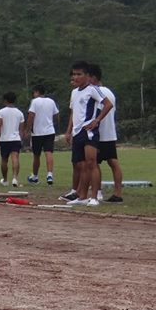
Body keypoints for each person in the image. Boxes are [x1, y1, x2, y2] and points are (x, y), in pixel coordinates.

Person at [62, 61, 112, 206]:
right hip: (77, 132)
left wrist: (97, 120)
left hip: (88, 131)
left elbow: (108, 104)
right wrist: (69, 131)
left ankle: (95, 197)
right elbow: (73, 112)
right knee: (81, 165)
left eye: (79, 74)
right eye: (74, 74)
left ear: (87, 76)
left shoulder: (93, 89)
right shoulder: (74, 92)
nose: (76, 77)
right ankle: (82, 196)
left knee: (91, 163)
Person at [90, 64, 123, 202]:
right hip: (110, 133)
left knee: (93, 164)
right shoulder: (110, 92)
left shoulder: (94, 92)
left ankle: (97, 192)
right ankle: (118, 193)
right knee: (113, 163)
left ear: (93, 78)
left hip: (98, 133)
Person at [26, 85, 59, 185]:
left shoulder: (34, 101)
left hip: (37, 132)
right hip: (49, 131)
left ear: (36, 92)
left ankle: (35, 176)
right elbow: (57, 115)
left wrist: (28, 129)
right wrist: (54, 125)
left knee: (36, 155)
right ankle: (49, 174)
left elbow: (31, 115)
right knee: (48, 152)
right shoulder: (51, 101)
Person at [0, 92, 24, 187]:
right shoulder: (20, 113)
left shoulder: (1, 112)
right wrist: (21, 139)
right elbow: (21, 129)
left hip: (4, 139)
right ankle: (15, 178)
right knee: (15, 158)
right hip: (16, 139)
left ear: (5, 100)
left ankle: (5, 180)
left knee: (4, 160)